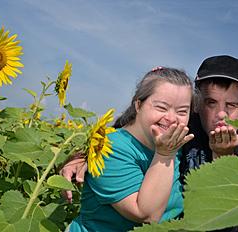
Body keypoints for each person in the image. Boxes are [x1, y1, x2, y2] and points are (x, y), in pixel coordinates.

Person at [67, 67, 195, 231]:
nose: (171, 118)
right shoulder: (109, 148)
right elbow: (146, 215)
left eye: (182, 111)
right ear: (138, 105)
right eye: (161, 107)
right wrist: (165, 154)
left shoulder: (178, 142)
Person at [180, 55, 238, 194]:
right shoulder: (182, 126)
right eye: (211, 103)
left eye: (231, 105)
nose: (221, 114)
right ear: (197, 104)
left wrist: (224, 156)